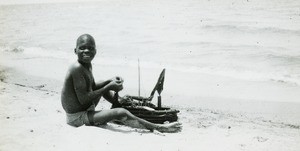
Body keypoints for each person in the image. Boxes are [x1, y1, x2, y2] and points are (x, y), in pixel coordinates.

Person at [61, 34, 181, 133]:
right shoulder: (76, 68)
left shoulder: (86, 64)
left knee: (102, 83)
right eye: (82, 48)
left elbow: (91, 88)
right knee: (121, 113)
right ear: (75, 50)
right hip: (77, 117)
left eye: (90, 48)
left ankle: (119, 105)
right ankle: (159, 127)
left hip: (85, 109)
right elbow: (83, 99)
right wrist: (109, 86)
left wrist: (109, 81)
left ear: (95, 51)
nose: (86, 51)